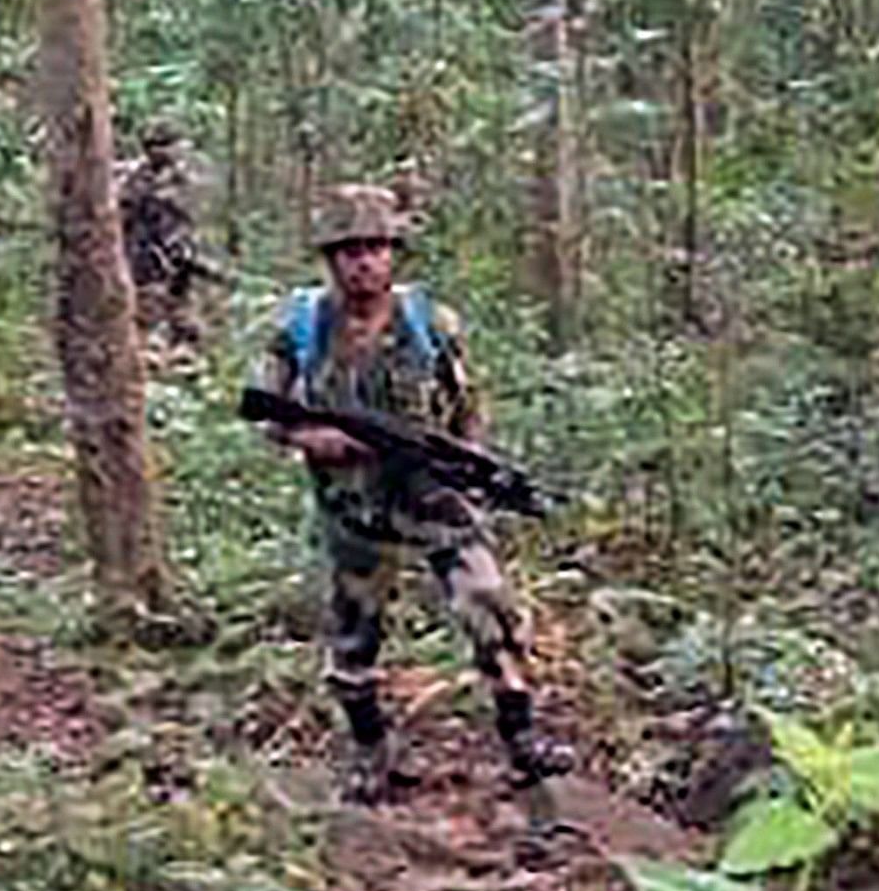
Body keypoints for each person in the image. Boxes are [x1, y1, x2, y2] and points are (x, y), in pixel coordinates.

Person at [252, 183, 563, 800]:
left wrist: (468, 468)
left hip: (433, 496)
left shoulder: (431, 324)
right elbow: (267, 412)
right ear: (331, 259)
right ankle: (370, 750)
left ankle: (521, 736)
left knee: (490, 606)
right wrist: (312, 437)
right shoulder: (301, 328)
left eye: (375, 248)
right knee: (354, 638)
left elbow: (468, 410)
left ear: (393, 254)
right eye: (349, 250)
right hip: (353, 506)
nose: (364, 261)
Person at [120, 124, 205, 346]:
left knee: (185, 323)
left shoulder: (182, 177)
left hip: (179, 264)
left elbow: (187, 221)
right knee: (148, 319)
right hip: (146, 263)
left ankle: (184, 359)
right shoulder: (134, 180)